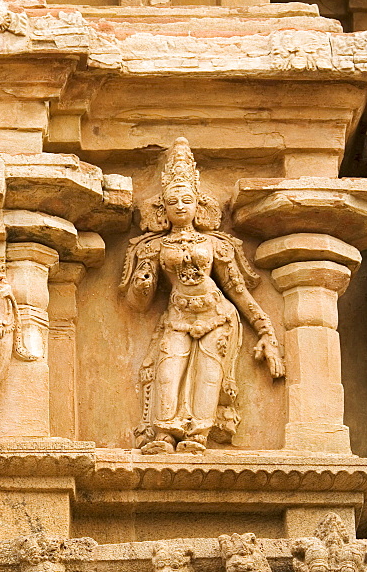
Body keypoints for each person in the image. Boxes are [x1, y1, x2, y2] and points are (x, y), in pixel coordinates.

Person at [121, 137, 284, 454]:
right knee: (168, 372)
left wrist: (266, 333)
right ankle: (165, 435)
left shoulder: (216, 246)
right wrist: (142, 285)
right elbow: (138, 304)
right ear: (163, 210)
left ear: (198, 205)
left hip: (216, 318)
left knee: (209, 376)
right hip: (179, 316)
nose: (180, 205)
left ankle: (197, 436)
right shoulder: (152, 248)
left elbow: (238, 292)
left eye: (186, 200)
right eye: (173, 201)